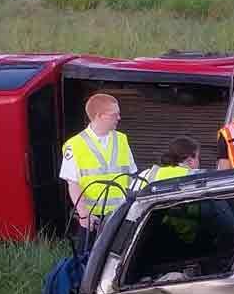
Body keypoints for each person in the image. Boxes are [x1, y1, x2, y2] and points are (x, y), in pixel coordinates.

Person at [59, 93, 137, 231]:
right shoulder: (74, 145)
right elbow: (73, 184)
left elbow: (132, 178)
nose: (119, 118)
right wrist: (84, 214)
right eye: (114, 114)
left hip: (121, 215)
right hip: (92, 219)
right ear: (99, 116)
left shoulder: (122, 140)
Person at [134, 136, 200, 190]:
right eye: (197, 157)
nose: (198, 161)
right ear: (190, 160)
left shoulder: (146, 174)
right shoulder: (198, 177)